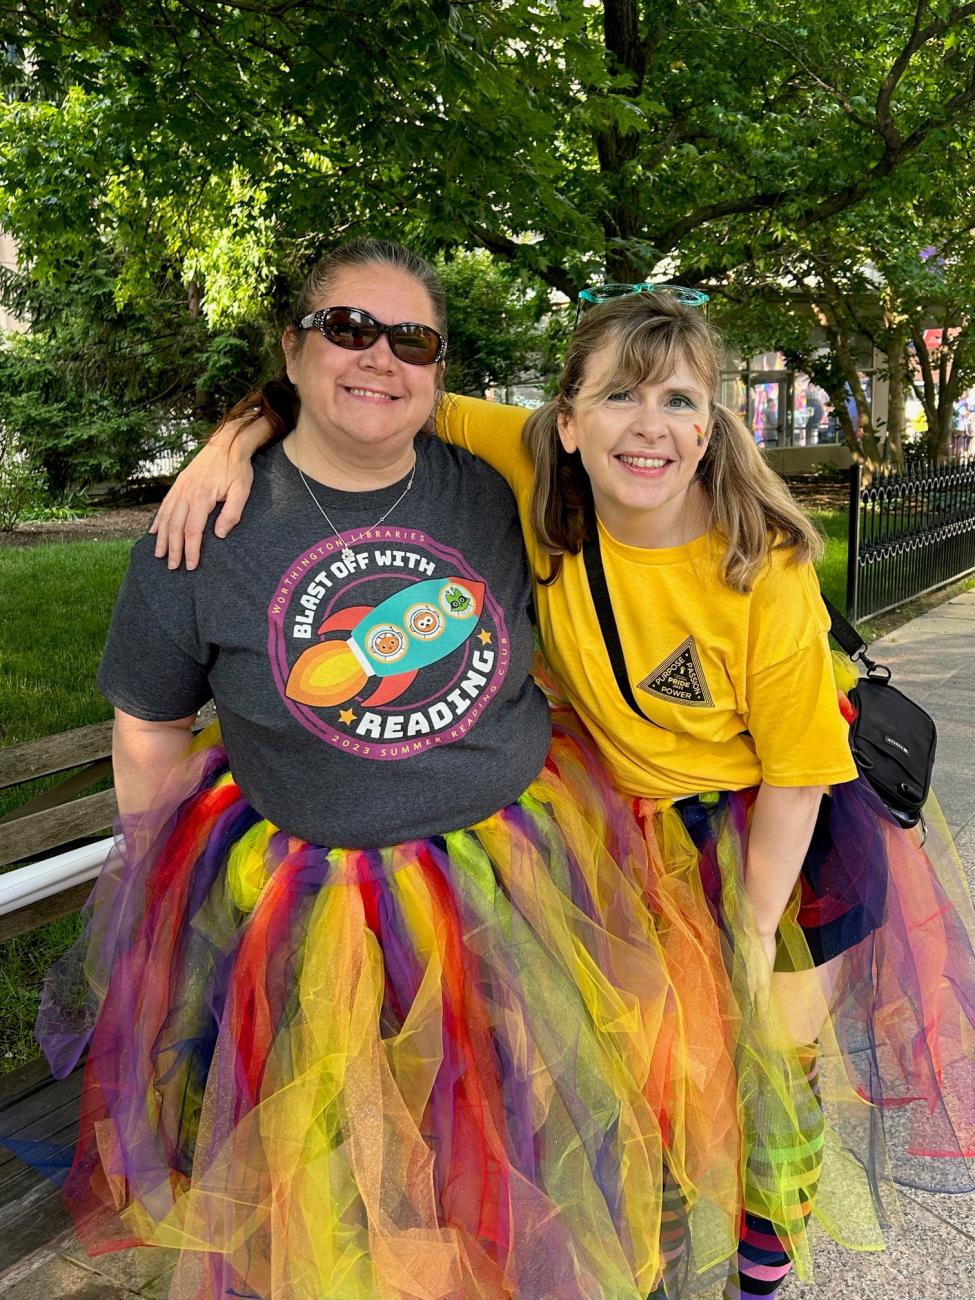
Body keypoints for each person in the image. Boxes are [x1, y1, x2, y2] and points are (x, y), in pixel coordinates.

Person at [158, 283, 975, 1299]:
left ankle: (760, 1274)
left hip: (784, 834)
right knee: (658, 1058)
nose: (650, 427)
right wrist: (227, 444)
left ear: (712, 427)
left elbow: (802, 773)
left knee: (767, 1063)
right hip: (632, 821)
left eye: (681, 402)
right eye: (622, 397)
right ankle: (663, 1232)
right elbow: (379, 390)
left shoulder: (760, 568)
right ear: (569, 418)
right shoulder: (539, 468)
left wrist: (752, 936)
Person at [38, 244, 751, 1300]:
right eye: (347, 329)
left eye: (410, 339)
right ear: (293, 348)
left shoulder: (504, 484)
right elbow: (149, 726)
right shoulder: (210, 527)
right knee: (334, 1182)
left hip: (513, 894)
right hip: (304, 914)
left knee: (520, 1147)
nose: (379, 358)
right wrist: (156, 904)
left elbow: (651, 483)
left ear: (440, 368)